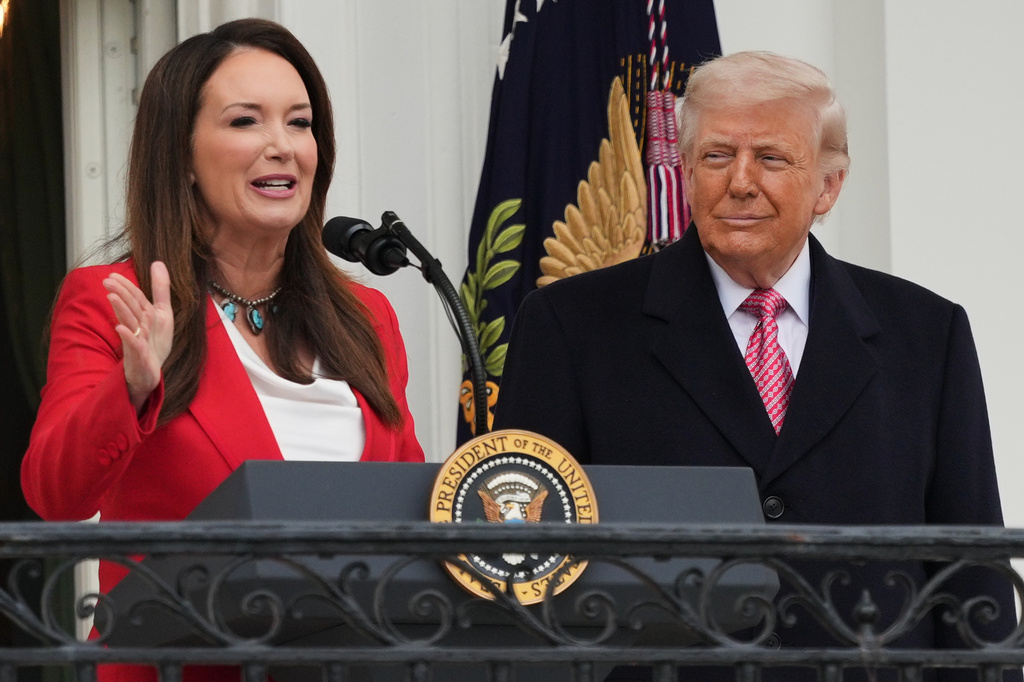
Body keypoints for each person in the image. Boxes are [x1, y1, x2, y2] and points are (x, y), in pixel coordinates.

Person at [494, 51, 1019, 681]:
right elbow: (522, 564)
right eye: (717, 156)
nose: (740, 181)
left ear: (829, 185)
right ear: (685, 170)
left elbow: (972, 578)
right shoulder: (570, 325)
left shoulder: (927, 334)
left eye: (771, 158)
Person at [21, 17, 423, 679]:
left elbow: (402, 508)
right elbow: (53, 495)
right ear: (180, 155)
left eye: (300, 123)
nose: (283, 146)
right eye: (245, 122)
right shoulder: (110, 298)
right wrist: (129, 390)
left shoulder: (366, 316)